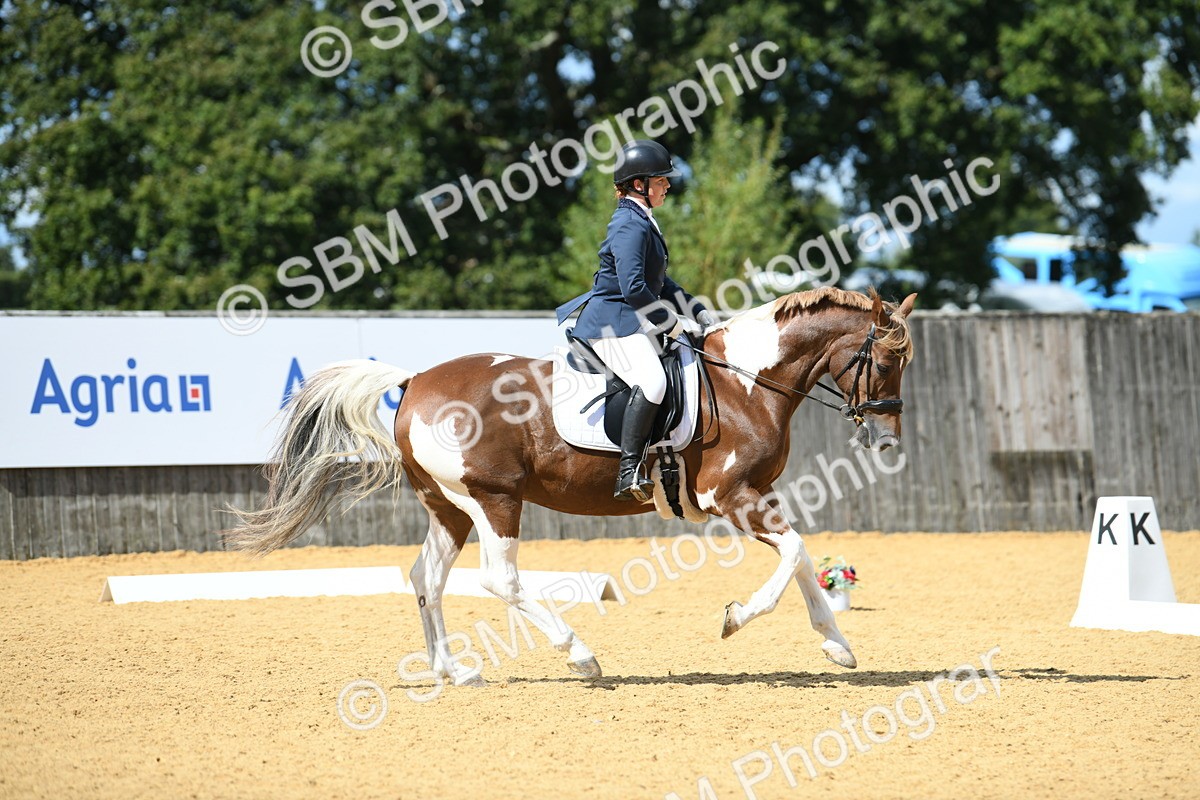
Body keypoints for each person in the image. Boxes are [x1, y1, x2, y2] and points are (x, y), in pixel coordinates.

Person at [556, 139, 716, 501]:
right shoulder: (631, 223)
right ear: (639, 184)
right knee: (653, 382)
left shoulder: (643, 220)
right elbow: (634, 288)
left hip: (629, 320)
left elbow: (661, 283)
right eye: (661, 180)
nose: (668, 186)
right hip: (611, 325)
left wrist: (697, 310)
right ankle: (628, 472)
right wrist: (671, 323)